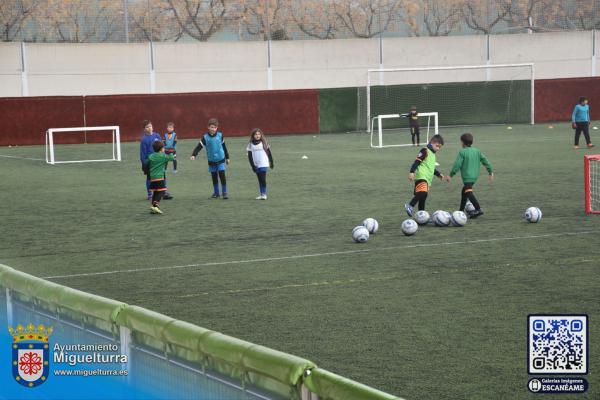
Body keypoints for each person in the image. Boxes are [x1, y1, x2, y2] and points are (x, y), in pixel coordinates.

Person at [445, 133, 493, 218]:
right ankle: (460, 211)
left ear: (463, 142)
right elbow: (485, 161)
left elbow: (457, 164)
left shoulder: (462, 152)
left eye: (461, 142)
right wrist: (490, 171)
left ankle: (478, 209)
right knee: (464, 192)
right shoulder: (477, 151)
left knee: (469, 193)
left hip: (467, 177)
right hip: (474, 177)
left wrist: (450, 175)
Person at [404, 134, 446, 216]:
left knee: (423, 196)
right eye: (437, 146)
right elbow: (417, 162)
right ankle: (410, 205)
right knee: (423, 192)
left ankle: (421, 215)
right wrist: (412, 172)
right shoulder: (425, 150)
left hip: (427, 179)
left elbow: (430, 168)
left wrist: (438, 174)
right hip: (421, 176)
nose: (438, 148)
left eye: (440, 147)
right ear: (431, 142)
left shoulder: (433, 155)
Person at [190, 118, 230, 199]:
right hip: (211, 160)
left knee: (222, 175)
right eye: (211, 127)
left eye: (214, 127)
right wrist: (194, 154)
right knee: (214, 176)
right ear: (208, 127)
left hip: (221, 158)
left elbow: (224, 147)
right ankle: (216, 193)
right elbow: (199, 147)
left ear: (217, 128)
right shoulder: (205, 137)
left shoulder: (220, 135)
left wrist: (227, 157)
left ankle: (224, 192)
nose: (213, 129)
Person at [140, 120, 173, 200]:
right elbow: (142, 153)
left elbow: (162, 147)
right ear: (144, 129)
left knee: (163, 176)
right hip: (150, 162)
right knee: (149, 178)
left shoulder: (157, 135)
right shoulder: (144, 139)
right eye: (147, 127)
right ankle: (150, 194)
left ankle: (163, 192)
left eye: (150, 126)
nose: (149, 128)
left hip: (160, 160)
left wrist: (165, 156)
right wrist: (144, 164)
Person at [144, 140, 174, 214]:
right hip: (160, 177)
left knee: (156, 192)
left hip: (152, 178)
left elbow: (145, 163)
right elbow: (171, 158)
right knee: (162, 191)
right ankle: (155, 205)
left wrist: (145, 171)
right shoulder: (163, 156)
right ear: (161, 149)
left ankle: (153, 207)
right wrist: (169, 152)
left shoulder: (151, 156)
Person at [247, 128, 274, 200]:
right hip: (256, 164)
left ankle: (264, 194)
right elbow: (250, 156)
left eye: (259, 134)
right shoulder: (250, 144)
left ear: (261, 135)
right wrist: (252, 166)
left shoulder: (264, 142)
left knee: (262, 178)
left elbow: (269, 153)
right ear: (253, 135)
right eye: (256, 134)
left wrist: (271, 162)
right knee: (259, 179)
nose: (257, 135)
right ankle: (261, 194)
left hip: (264, 163)